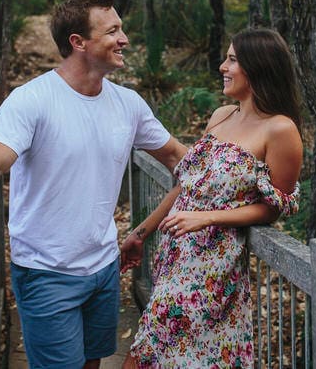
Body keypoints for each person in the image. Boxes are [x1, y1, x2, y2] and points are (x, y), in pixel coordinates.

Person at [0, 0, 187, 369]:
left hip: (105, 268)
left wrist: (147, 228)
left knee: (92, 364)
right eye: (112, 31)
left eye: (121, 29)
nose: (124, 39)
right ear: (79, 42)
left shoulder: (129, 105)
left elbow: (181, 162)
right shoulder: (33, 100)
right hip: (45, 271)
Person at [120, 27, 304, 369]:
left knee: (145, 358)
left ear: (258, 66)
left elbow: (273, 208)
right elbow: (186, 184)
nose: (222, 66)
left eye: (232, 60)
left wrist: (208, 217)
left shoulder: (280, 130)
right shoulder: (222, 115)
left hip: (212, 271)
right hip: (175, 258)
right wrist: (141, 233)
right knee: (153, 356)